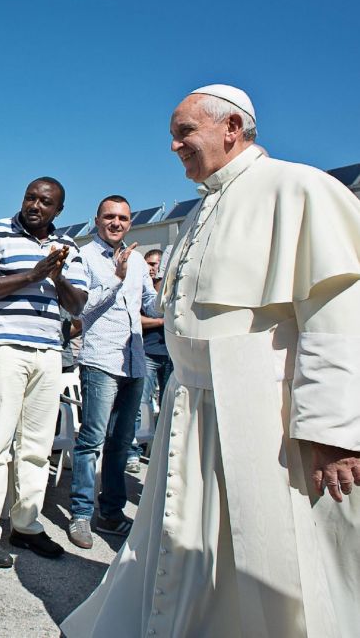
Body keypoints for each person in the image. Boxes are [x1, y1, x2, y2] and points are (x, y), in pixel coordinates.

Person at [61, 84, 360, 638]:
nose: (174, 147)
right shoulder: (204, 207)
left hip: (262, 409)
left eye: (184, 133)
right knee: (186, 546)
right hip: (192, 405)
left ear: (232, 128)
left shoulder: (299, 188)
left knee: (269, 560)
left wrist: (335, 429)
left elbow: (337, 316)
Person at [0, 176, 88, 568]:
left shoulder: (67, 248)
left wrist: (56, 275)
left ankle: (27, 525)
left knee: (36, 446)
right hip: (5, 348)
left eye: (45, 202)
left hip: (49, 351)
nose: (35, 205)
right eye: (30, 197)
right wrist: (32, 276)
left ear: (58, 210)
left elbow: (79, 303)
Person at [67, 195, 158, 550]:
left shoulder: (137, 260)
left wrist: (167, 285)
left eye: (122, 217)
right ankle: (80, 514)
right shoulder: (83, 256)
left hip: (134, 358)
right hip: (101, 359)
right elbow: (79, 308)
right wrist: (116, 280)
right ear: (97, 220)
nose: (116, 222)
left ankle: (112, 511)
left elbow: (150, 304)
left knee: (122, 442)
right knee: (91, 440)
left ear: (130, 222)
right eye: (109, 217)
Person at [125, 248, 171, 474]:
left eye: (157, 264)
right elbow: (136, 320)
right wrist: (162, 321)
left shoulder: (170, 290)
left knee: (168, 408)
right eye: (150, 263)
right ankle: (133, 453)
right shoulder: (142, 291)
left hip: (172, 356)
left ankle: (164, 454)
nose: (153, 267)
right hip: (147, 354)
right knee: (139, 406)